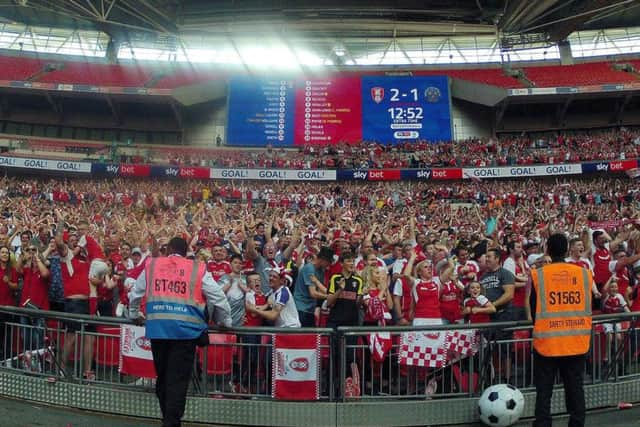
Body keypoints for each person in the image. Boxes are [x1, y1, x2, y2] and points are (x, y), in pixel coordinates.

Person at [128, 237, 232, 427]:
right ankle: (171, 421)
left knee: (163, 376)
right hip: (185, 333)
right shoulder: (197, 268)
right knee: (177, 380)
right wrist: (226, 321)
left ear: (168, 250)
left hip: (158, 329)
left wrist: (134, 314)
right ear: (186, 252)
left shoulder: (153, 265)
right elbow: (219, 298)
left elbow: (136, 293)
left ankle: (167, 417)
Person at [530, 233, 593, 427]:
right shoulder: (584, 273)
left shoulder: (539, 274)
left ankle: (543, 424)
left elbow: (534, 308)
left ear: (547, 249)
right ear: (567, 250)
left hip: (547, 344)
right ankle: (577, 424)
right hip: (576, 342)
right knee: (575, 388)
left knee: (544, 391)